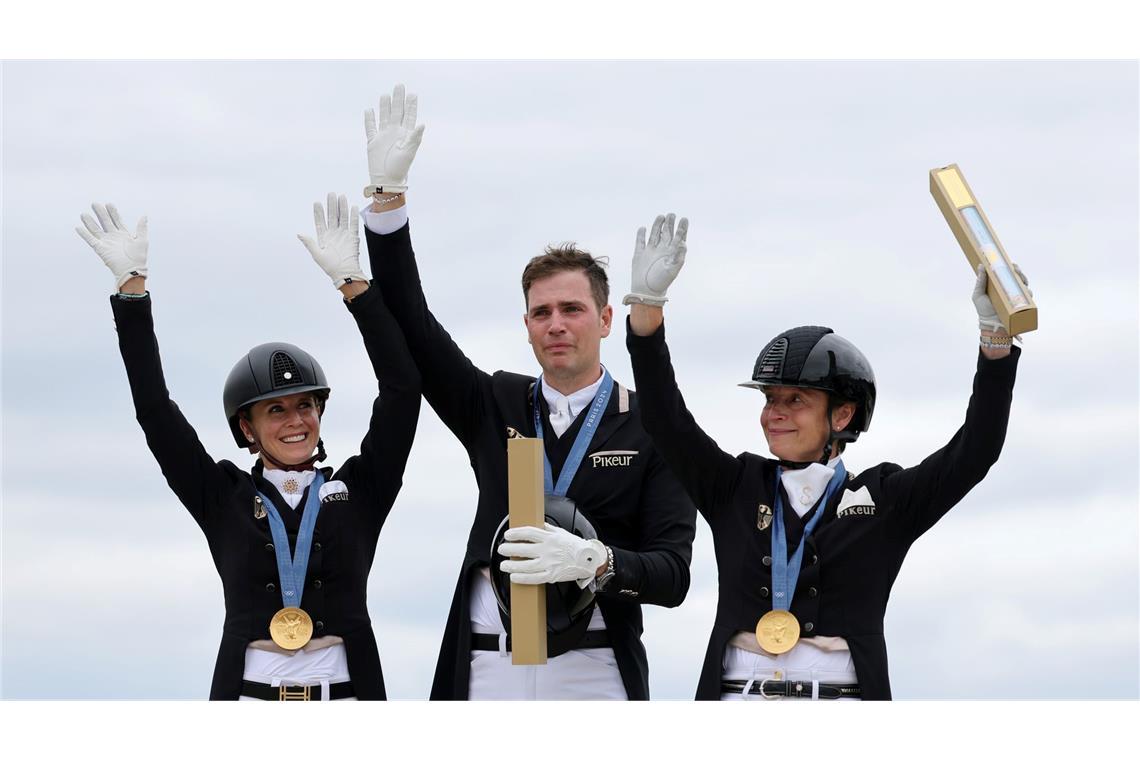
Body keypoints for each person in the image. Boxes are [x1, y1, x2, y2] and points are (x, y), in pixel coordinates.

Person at [358, 85, 697, 699]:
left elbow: (674, 576)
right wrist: (388, 208)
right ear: (527, 326)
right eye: (541, 313)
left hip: (593, 673)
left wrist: (598, 561)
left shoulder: (652, 428)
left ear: (603, 320)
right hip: (489, 668)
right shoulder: (497, 405)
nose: (556, 325)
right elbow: (414, 323)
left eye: (571, 309)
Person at [623, 213, 1025, 700]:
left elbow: (976, 450)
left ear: (842, 416)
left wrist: (995, 343)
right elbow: (666, 421)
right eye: (770, 400)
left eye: (796, 401)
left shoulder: (886, 500)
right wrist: (647, 314)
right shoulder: (734, 485)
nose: (775, 414)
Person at [77, 194, 421, 700]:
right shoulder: (222, 496)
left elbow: (403, 389)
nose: (295, 421)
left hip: (348, 697)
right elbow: (155, 411)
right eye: (275, 410)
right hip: (248, 698)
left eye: (305, 405)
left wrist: (356, 289)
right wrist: (132, 295)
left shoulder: (361, 488)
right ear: (247, 429)